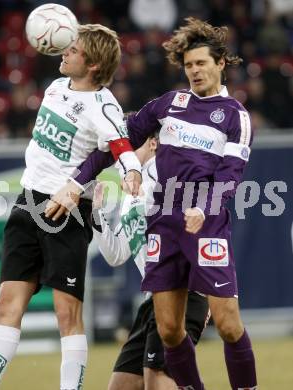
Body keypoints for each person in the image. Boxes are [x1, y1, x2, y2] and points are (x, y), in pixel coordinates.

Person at [61, 17, 258, 390]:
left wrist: (205, 206)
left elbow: (231, 173)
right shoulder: (169, 104)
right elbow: (117, 142)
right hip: (163, 223)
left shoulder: (235, 116)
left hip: (206, 223)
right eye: (188, 65)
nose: (194, 71)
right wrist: (77, 180)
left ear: (220, 63)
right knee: (169, 332)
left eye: (201, 63)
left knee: (229, 324)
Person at [0, 23, 142, 390]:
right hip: (27, 200)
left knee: (67, 314)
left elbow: (121, 146)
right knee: (6, 306)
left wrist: (131, 172)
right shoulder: (54, 87)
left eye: (73, 49)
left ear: (94, 64)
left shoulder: (104, 104)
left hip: (67, 211)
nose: (63, 51)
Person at [92, 135, 210, 390]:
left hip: (182, 292)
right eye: (117, 149)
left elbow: (194, 228)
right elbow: (117, 255)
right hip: (153, 299)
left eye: (128, 146)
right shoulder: (131, 192)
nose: (121, 154)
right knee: (121, 385)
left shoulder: (166, 173)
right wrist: (96, 213)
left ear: (153, 143)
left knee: (156, 378)